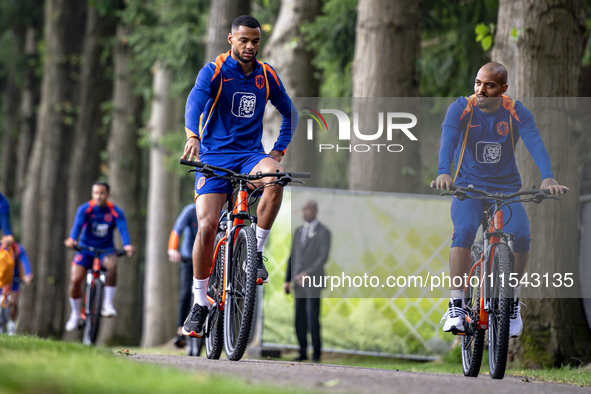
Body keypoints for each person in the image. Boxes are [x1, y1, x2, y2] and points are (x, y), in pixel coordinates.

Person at [180, 15, 298, 338]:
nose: (250, 47)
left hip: (250, 157)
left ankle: (255, 252)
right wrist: (193, 136)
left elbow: (290, 112)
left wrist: (278, 151)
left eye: (255, 41)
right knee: (206, 227)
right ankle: (199, 301)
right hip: (214, 156)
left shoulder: (266, 75)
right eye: (244, 40)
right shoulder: (215, 70)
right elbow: (195, 101)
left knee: (276, 178)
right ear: (231, 39)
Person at [432, 62, 568, 338]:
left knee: (521, 235)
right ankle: (457, 304)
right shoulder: (462, 108)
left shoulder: (515, 111)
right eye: (477, 83)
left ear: (503, 89)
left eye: (489, 85)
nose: (480, 90)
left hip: (506, 189)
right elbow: (448, 137)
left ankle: (512, 301)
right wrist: (443, 172)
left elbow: (534, 141)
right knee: (465, 231)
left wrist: (548, 177)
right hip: (468, 187)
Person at [64, 182, 135, 331]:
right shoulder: (85, 209)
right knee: (75, 280)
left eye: (102, 193)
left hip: (106, 250)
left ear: (108, 195)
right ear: (92, 194)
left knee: (112, 266)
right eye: (95, 193)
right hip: (85, 248)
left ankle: (107, 304)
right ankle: (76, 314)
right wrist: (72, 239)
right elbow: (77, 225)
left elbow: (123, 229)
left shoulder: (115, 211)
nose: (98, 196)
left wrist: (127, 245)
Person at [284, 201, 331, 362]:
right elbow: (293, 256)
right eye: (303, 209)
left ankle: (316, 353)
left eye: (308, 209)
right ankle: (302, 351)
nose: (305, 212)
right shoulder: (298, 231)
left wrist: (307, 273)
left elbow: (322, 257)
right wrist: (287, 279)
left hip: (313, 282)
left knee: (312, 317)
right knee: (299, 318)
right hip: (297, 283)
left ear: (315, 211)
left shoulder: (324, 232)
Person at [167, 203, 198, 348]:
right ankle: (180, 329)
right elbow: (177, 229)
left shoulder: (219, 211)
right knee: (185, 293)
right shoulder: (190, 210)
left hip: (209, 259)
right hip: (188, 257)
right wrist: (173, 248)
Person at [0, 242, 33, 335]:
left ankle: (11, 326)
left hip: (14, 280)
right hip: (1, 280)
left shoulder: (18, 249)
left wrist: (28, 274)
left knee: (14, 303)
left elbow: (25, 261)